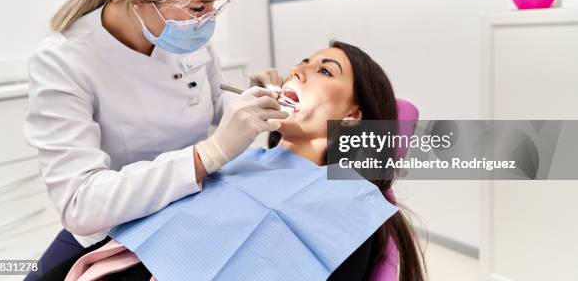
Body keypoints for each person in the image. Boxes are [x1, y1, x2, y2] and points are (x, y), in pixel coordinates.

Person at [23, 0, 287, 278]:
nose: (209, 18)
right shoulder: (63, 61)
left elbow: (208, 101)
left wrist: (248, 101)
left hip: (193, 204)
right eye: (199, 7)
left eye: (214, 2)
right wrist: (206, 156)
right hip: (116, 225)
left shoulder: (182, 32)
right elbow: (81, 205)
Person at [38, 41, 427, 281]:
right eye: (302, 64)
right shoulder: (237, 159)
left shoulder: (351, 208)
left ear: (352, 117)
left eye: (324, 70)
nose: (297, 71)